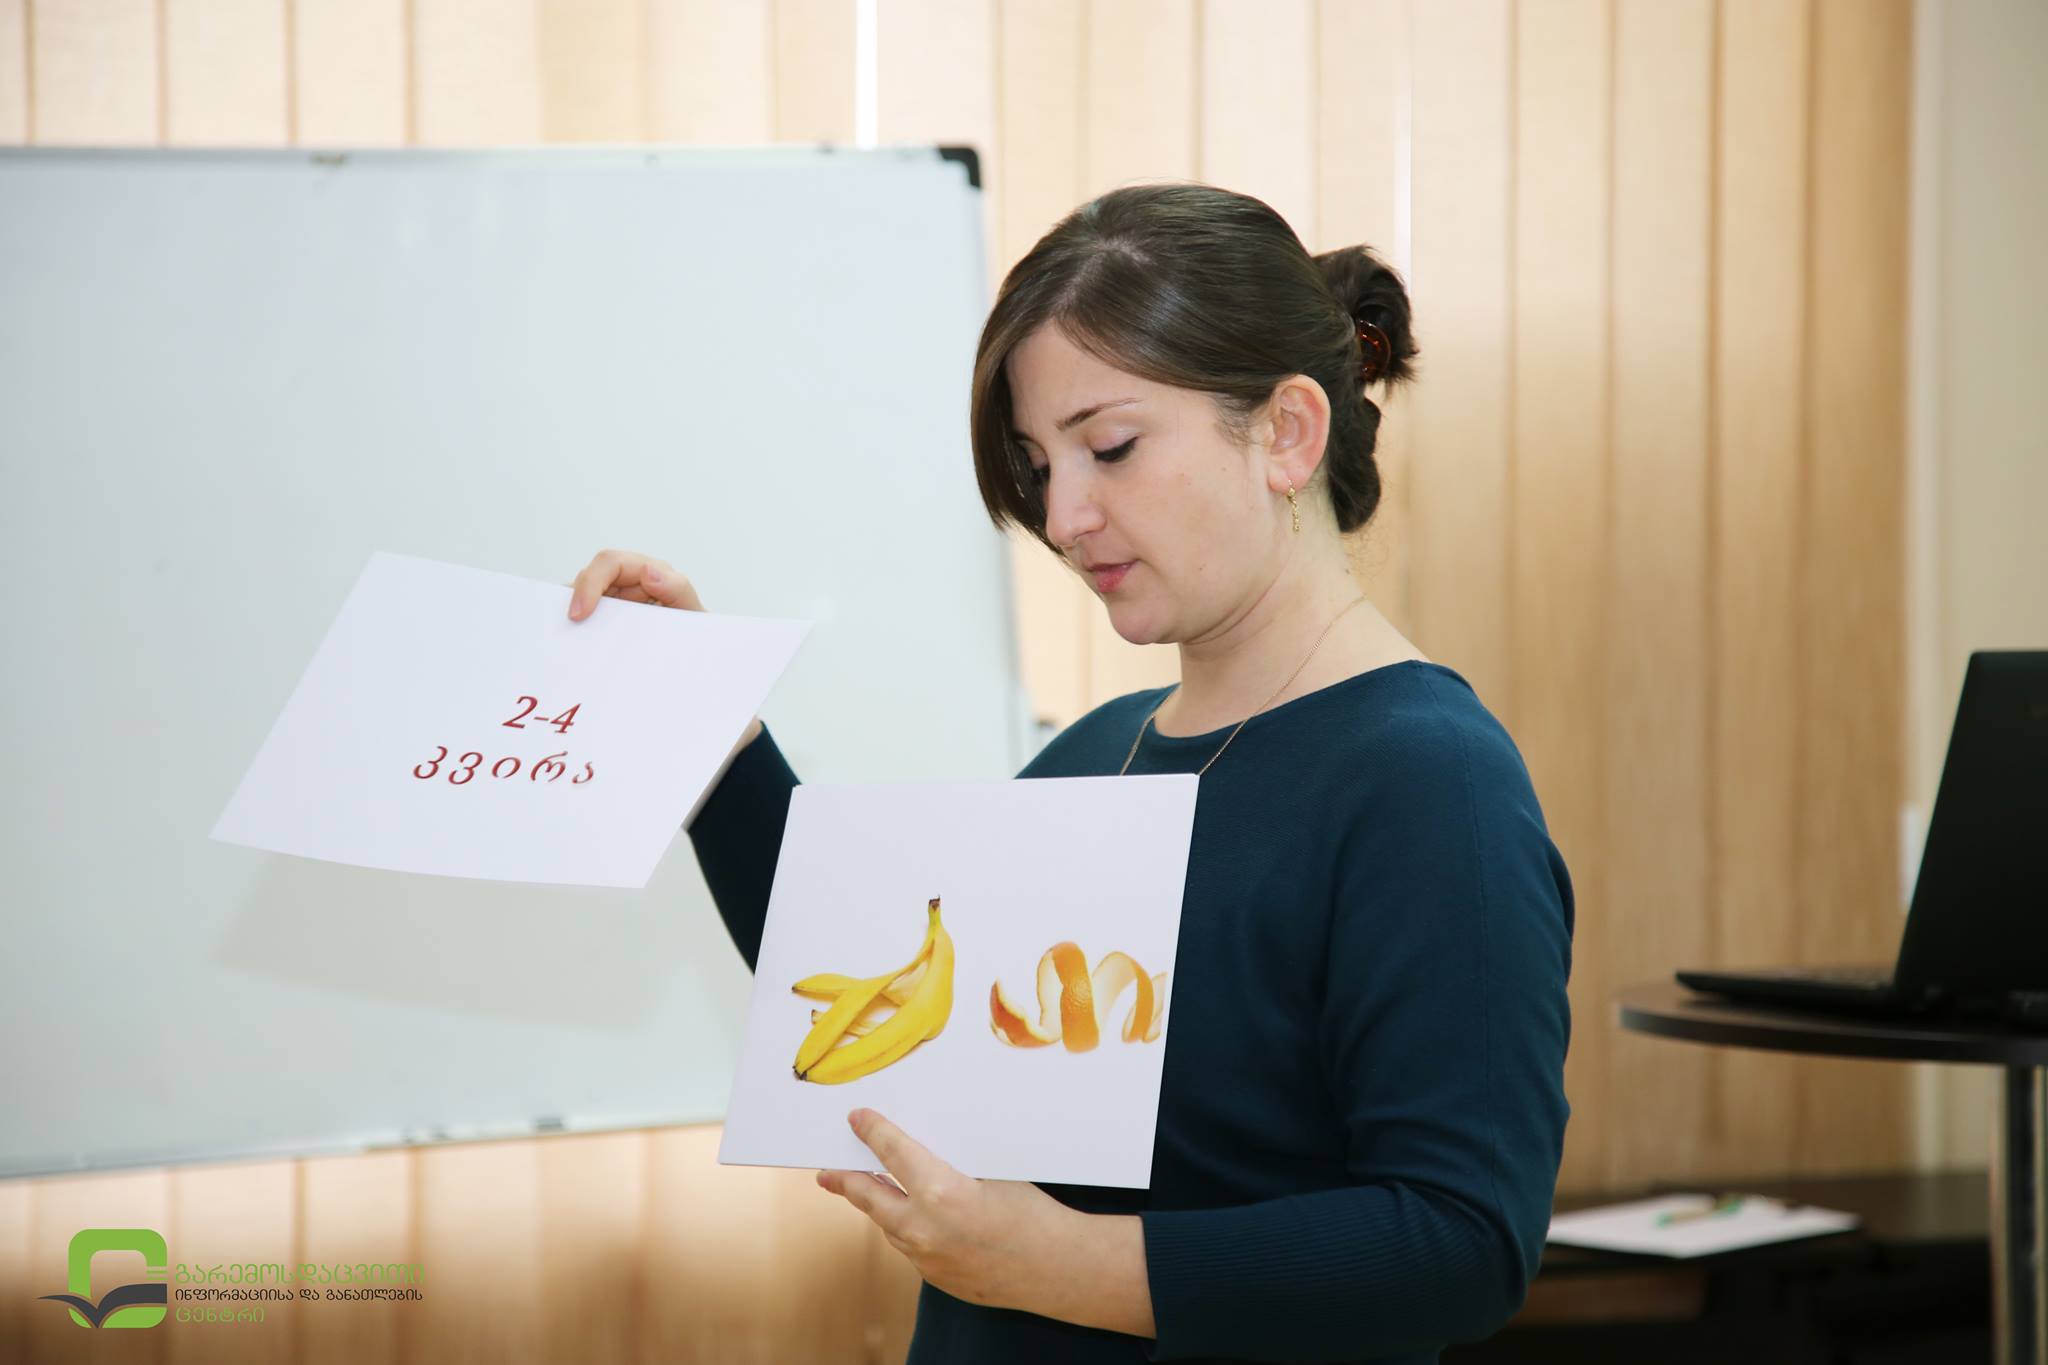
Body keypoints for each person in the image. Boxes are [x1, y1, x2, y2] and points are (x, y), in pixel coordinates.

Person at [565, 182, 1573, 1364]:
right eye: (1038, 464)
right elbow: (851, 974)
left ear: (1287, 434)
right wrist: (708, 720)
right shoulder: (1102, 750)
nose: (1063, 515)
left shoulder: (1429, 784)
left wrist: (1058, 1264)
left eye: (1110, 448)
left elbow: (1460, 1241)